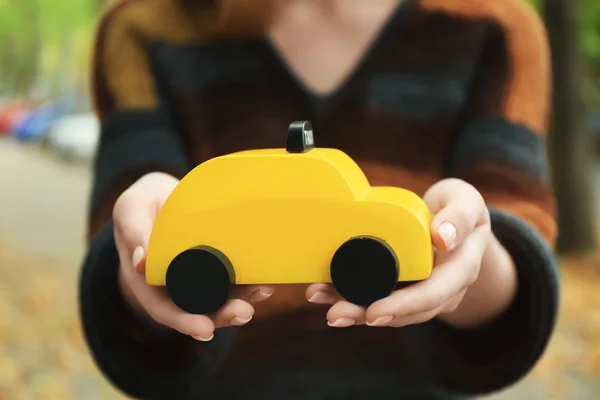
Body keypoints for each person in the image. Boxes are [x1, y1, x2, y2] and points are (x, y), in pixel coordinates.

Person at [79, 0, 560, 399]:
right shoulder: (145, 27)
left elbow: (516, 241)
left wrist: (468, 251)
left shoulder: (494, 26)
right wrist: (137, 257)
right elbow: (125, 240)